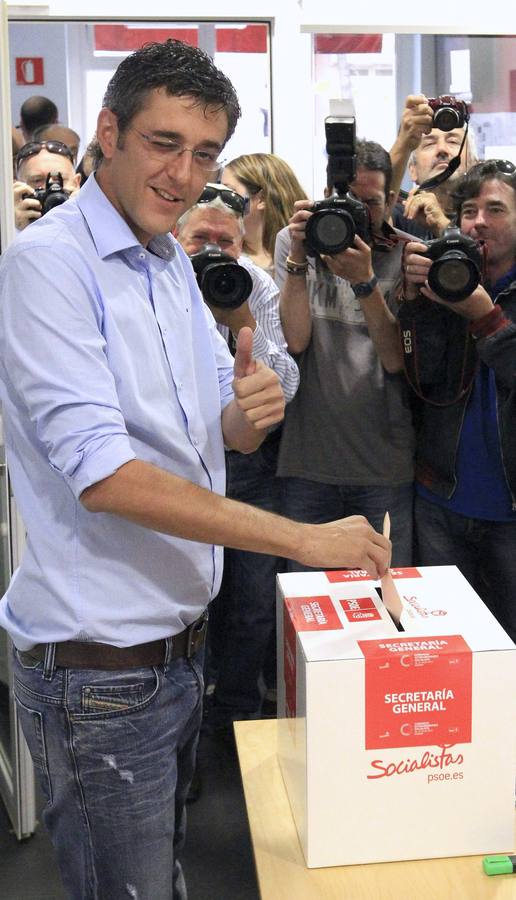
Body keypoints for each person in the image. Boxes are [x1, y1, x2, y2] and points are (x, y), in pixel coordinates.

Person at [0, 40, 390, 899]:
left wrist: (247, 415)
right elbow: (106, 477)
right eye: (164, 143)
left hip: (178, 651)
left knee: (154, 876)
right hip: (101, 668)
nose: (183, 174)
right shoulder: (49, 266)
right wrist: (300, 539)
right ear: (109, 132)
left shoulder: (171, 261)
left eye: (204, 153)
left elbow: (224, 434)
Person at [177, 187, 299, 729]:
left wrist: (242, 315)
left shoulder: (257, 284)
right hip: (178, 469)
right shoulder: (158, 287)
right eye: (198, 238)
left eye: (223, 241)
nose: (211, 250)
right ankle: (187, 720)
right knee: (192, 604)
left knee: (252, 603)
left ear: (240, 245)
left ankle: (237, 720)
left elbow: (287, 385)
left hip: (250, 468)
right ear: (176, 240)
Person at [277, 140, 415, 568]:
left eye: (371, 203)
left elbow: (396, 360)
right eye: (348, 200)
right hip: (307, 462)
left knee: (383, 600)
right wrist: (300, 255)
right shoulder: (294, 240)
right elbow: (295, 340)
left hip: (382, 465)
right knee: (305, 603)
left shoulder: (408, 254)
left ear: (392, 200)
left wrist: (365, 281)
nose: (356, 214)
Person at [400, 158, 516, 644]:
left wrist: (485, 315)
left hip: (510, 509)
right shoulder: (449, 279)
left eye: (495, 209)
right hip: (440, 497)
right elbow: (419, 380)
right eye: (469, 210)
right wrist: (418, 303)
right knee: (446, 646)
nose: (479, 222)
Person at [390, 93, 477, 239]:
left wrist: (440, 224)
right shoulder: (402, 215)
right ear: (412, 170)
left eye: (453, 142)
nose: (442, 149)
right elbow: (378, 211)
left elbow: (487, 258)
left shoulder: (484, 214)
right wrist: (404, 142)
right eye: (429, 144)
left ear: (474, 162)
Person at [222, 152, 308, 275]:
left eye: (229, 191)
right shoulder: (225, 256)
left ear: (261, 199)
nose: (218, 200)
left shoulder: (304, 255)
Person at [13, 139, 81, 230]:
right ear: (18, 187)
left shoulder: (92, 225)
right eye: (37, 180)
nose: (51, 189)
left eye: (59, 180)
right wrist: (16, 228)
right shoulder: (9, 233)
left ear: (76, 183)